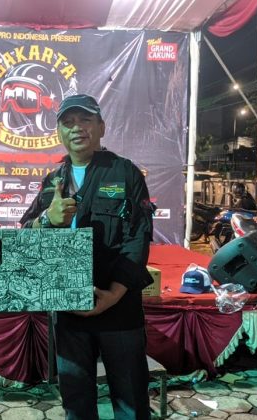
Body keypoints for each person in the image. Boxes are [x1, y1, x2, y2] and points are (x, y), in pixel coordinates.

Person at [20, 94, 156, 419]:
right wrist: (47, 220)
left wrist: (113, 294)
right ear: (59, 132)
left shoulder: (125, 173)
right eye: (68, 123)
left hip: (118, 308)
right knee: (76, 403)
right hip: (68, 310)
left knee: (132, 402)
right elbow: (26, 236)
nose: (77, 128)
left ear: (101, 127)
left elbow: (138, 238)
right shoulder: (53, 182)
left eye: (85, 120)